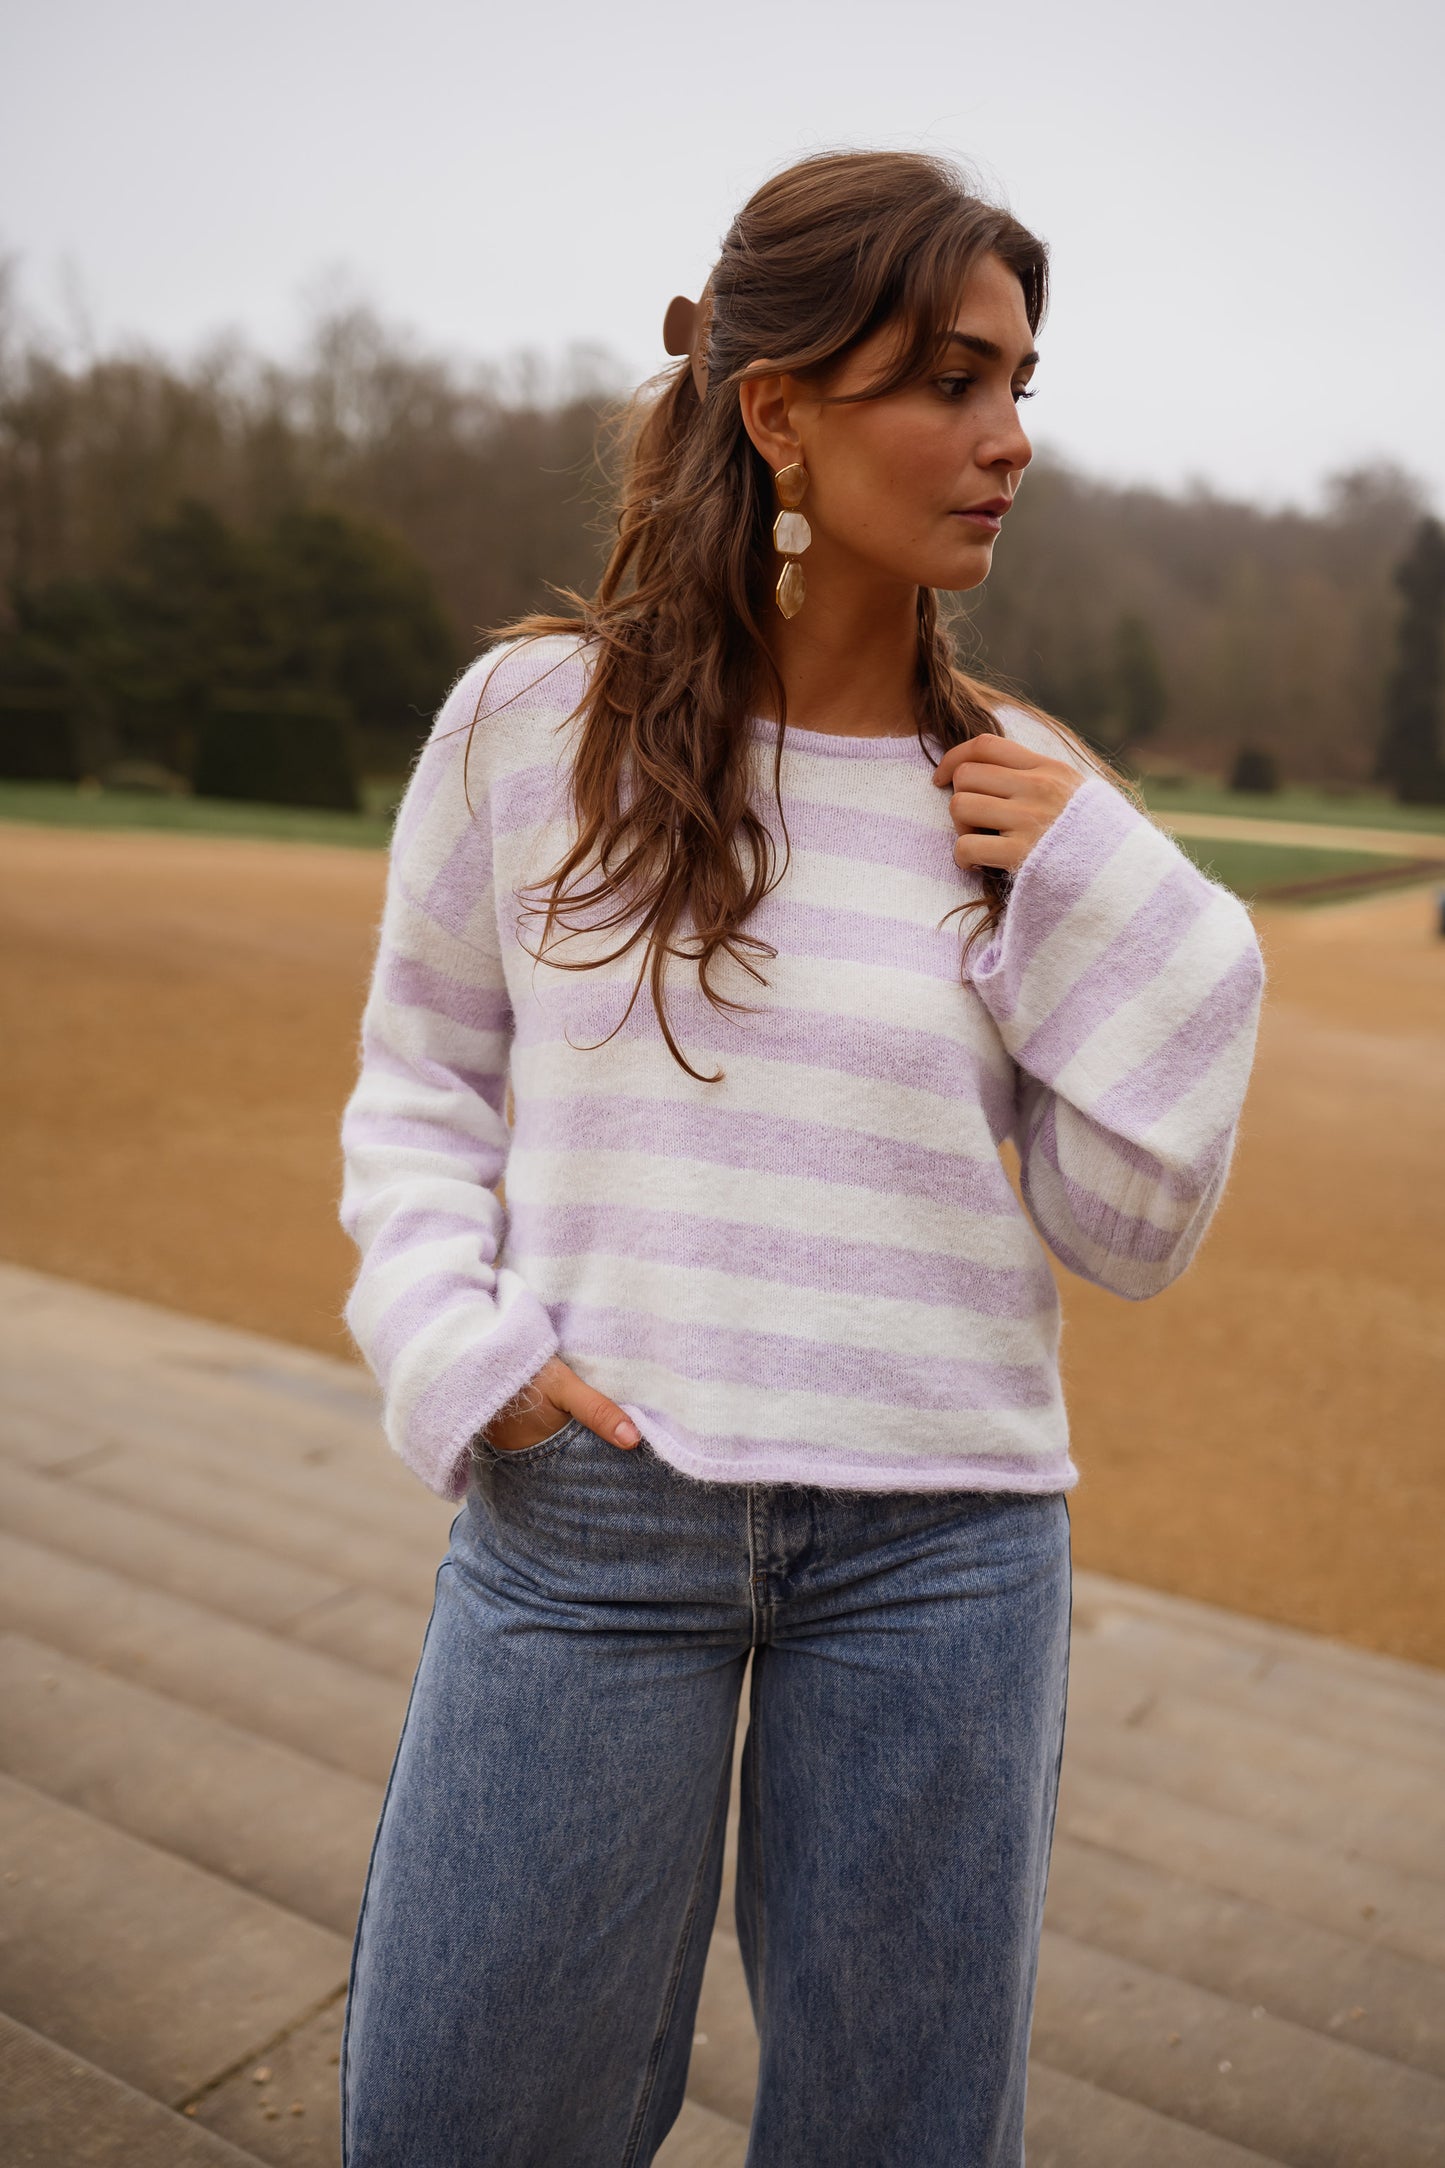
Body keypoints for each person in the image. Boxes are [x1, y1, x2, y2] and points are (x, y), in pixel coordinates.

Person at [336, 148, 1265, 2167]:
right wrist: (468, 1362)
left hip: (947, 1554)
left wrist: (1113, 879)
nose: (1009, 439)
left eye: (1024, 382)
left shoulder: (1016, 805)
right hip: (592, 1528)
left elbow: (1127, 1229)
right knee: (460, 2120)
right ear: (778, 410)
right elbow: (418, 1093)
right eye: (949, 379)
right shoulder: (526, 730)